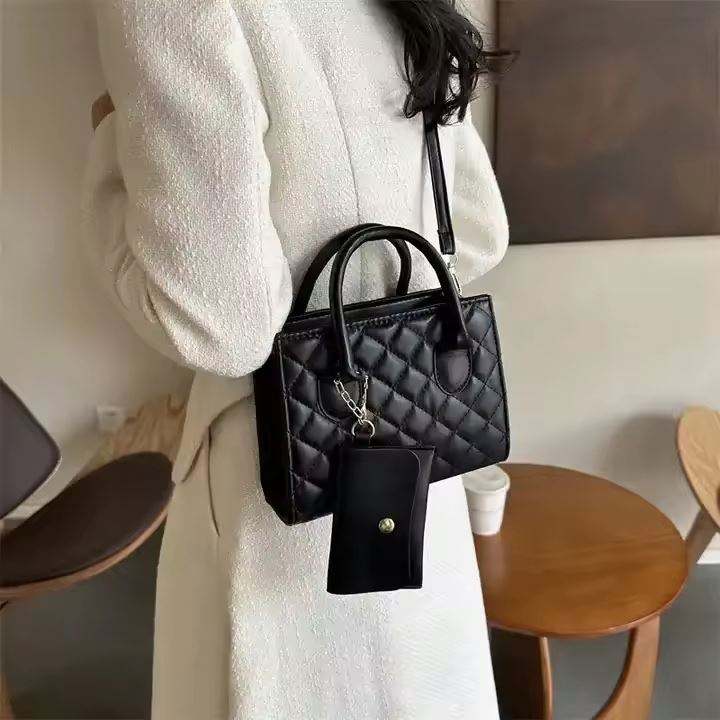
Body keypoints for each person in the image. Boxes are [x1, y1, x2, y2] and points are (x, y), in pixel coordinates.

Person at [81, 1, 509, 718]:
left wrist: (106, 145)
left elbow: (223, 328)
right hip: (417, 436)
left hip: (290, 476)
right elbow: (475, 233)